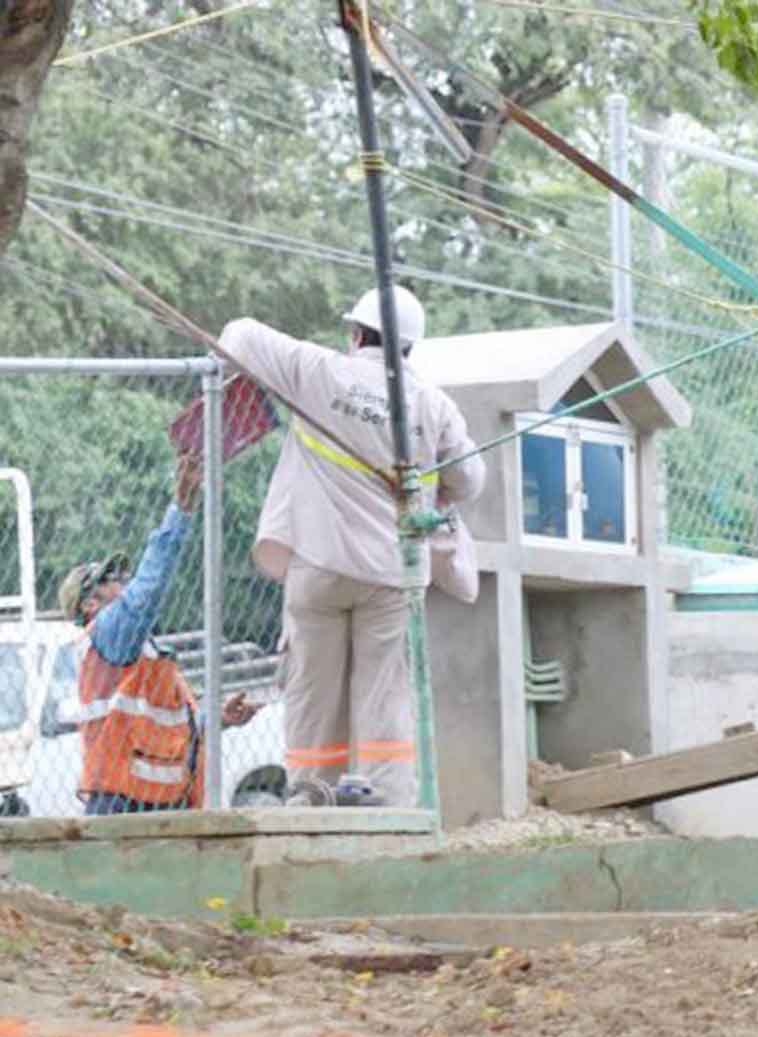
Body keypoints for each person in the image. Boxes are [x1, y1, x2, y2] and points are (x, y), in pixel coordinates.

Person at [217, 285, 486, 807]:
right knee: (384, 693)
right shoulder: (432, 405)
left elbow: (239, 336)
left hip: (318, 565)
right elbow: (470, 480)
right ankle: (382, 801)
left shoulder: (317, 371)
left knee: (314, 692)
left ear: (356, 333)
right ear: (409, 347)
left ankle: (311, 797)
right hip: (391, 573)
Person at [57, 452, 261, 815]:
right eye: (112, 579)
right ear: (90, 604)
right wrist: (180, 510)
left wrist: (218, 719)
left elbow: (171, 731)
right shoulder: (107, 632)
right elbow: (148, 591)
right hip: (124, 803)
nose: (124, 581)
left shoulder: (144, 654)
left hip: (155, 803)